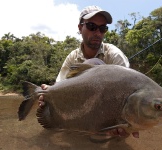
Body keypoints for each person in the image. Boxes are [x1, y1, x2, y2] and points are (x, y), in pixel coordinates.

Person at [38, 5, 130, 138]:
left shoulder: (115, 56)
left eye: (103, 28)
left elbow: (128, 92)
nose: (98, 33)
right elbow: (60, 86)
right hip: (79, 111)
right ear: (80, 28)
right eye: (92, 26)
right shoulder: (72, 58)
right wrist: (48, 93)